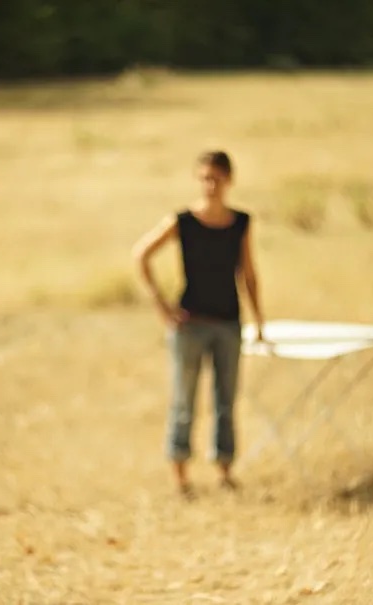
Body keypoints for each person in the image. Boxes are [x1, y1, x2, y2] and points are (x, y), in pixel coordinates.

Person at [132, 150, 265, 499]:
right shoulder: (183, 222)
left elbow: (248, 274)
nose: (211, 185)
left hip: (228, 323)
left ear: (229, 181)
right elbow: (141, 255)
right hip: (190, 324)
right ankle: (180, 477)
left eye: (217, 178)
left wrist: (259, 321)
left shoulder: (240, 223)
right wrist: (161, 305)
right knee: (184, 400)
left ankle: (225, 471)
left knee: (226, 399)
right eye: (205, 178)